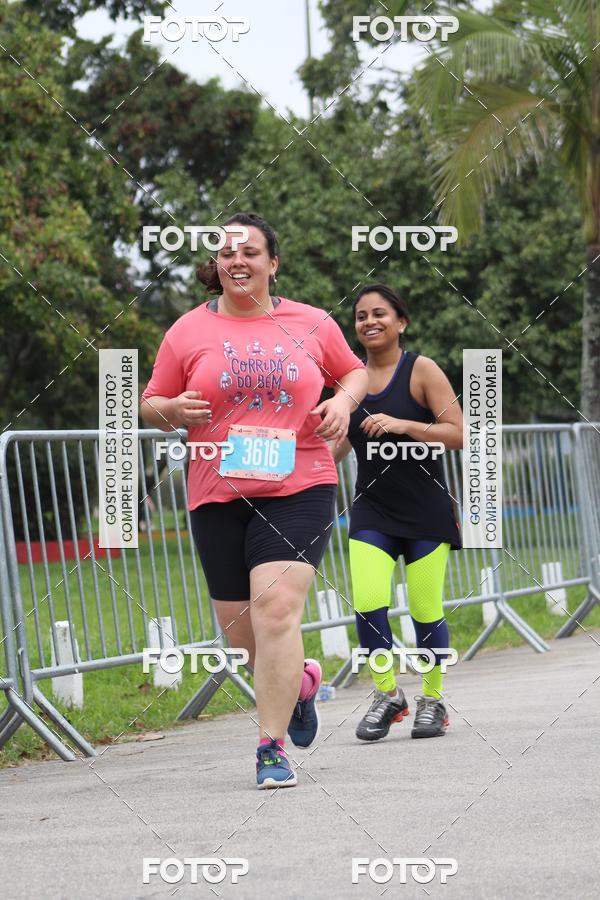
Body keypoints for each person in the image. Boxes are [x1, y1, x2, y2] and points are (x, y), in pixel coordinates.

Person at [141, 212, 367, 788]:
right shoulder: (187, 331)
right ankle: (302, 681)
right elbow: (149, 402)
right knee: (243, 637)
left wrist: (342, 404)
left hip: (301, 483)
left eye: (250, 251)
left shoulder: (311, 322)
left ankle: (271, 747)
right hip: (217, 489)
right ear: (216, 265)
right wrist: (171, 412)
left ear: (273, 262)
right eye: (226, 252)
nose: (237, 260)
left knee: (275, 610)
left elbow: (354, 373)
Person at [334, 284, 462, 741]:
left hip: (426, 510)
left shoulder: (421, 369)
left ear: (400, 322)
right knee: (369, 606)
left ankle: (432, 700)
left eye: (380, 314)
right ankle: (388, 696)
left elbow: (459, 433)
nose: (369, 322)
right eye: (361, 316)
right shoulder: (350, 381)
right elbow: (337, 445)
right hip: (372, 510)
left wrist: (404, 425)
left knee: (425, 608)